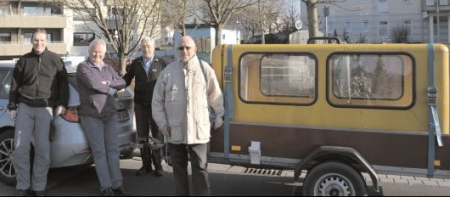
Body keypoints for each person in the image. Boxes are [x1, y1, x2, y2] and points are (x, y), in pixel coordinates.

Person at [152, 35, 225, 196]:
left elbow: (216, 96)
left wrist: (219, 116)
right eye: (181, 47)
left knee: (200, 169)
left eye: (188, 47)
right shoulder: (168, 72)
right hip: (174, 131)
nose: (184, 50)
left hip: (199, 131)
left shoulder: (205, 69)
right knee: (178, 170)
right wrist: (162, 124)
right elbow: (157, 101)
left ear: (195, 49)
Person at [8, 28, 69, 196]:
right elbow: (14, 85)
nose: (39, 43)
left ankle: (38, 188)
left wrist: (62, 104)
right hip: (25, 107)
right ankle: (22, 186)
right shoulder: (24, 60)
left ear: (46, 41)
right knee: (20, 148)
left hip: (46, 108)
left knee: (43, 150)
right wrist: (12, 106)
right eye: (36, 40)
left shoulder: (55, 59)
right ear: (31, 41)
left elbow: (63, 84)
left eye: (42, 40)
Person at [76, 39, 130, 196]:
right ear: (89, 51)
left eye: (100, 52)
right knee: (99, 152)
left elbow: (121, 81)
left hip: (109, 114)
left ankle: (117, 184)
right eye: (95, 51)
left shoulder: (107, 67)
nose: (97, 54)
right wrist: (110, 87)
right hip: (92, 115)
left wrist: (108, 83)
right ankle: (106, 187)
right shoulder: (83, 67)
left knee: (113, 150)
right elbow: (94, 84)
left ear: (104, 53)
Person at [123, 36, 168, 177]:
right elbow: (126, 79)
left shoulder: (162, 63)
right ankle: (145, 165)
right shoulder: (136, 63)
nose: (146, 49)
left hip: (157, 106)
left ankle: (158, 165)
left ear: (154, 47)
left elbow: (169, 83)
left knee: (157, 136)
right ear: (141, 48)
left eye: (149, 46)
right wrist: (116, 87)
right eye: (144, 47)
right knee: (142, 137)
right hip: (141, 105)